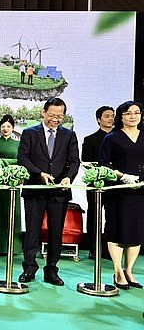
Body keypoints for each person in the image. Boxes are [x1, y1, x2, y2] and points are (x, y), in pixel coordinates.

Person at [17, 97, 79, 286]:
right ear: (43, 112)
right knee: (32, 231)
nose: (55, 119)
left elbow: (74, 161)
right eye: (52, 115)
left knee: (55, 232)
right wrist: (39, 173)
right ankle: (29, 268)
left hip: (59, 191)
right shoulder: (29, 133)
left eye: (59, 116)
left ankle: (51, 269)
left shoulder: (69, 135)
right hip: (35, 189)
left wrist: (68, 177)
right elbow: (23, 158)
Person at [98, 101, 144, 290]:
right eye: (128, 113)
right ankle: (117, 270)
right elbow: (103, 163)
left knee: (136, 231)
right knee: (117, 229)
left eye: (136, 113)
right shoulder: (112, 137)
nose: (133, 116)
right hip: (118, 190)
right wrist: (122, 176)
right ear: (121, 116)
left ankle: (129, 270)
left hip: (140, 190)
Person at [81, 106, 114, 260]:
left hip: (116, 184)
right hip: (95, 183)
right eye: (107, 116)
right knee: (94, 215)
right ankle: (94, 248)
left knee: (112, 216)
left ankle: (109, 249)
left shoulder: (119, 138)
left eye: (112, 116)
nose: (110, 118)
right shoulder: (90, 140)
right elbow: (85, 162)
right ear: (98, 120)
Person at [0, 114, 21, 254]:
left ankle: (13, 247)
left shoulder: (18, 144)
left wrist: (6, 164)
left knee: (12, 211)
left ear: (12, 128)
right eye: (3, 126)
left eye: (8, 126)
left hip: (13, 182)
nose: (5, 129)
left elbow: (21, 161)